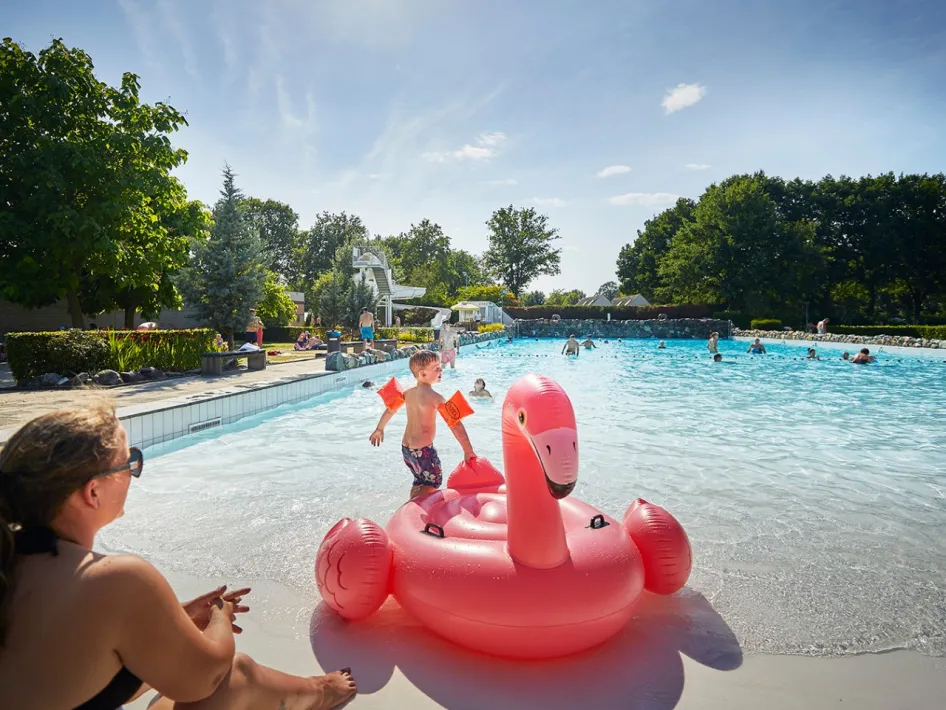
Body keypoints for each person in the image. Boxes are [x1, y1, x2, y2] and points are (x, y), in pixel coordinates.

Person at [0, 404, 356, 710]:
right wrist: (220, 615)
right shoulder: (113, 579)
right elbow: (206, 676)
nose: (133, 474)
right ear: (92, 491)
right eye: (129, 463)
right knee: (237, 675)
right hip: (208, 672)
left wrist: (180, 618)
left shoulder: (12, 560)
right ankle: (320, 693)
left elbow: (83, 675)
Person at [369, 351, 476, 500]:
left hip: (406, 449)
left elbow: (390, 410)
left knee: (419, 480)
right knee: (433, 481)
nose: (441, 370)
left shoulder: (407, 393)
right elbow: (455, 425)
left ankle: (412, 505)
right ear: (423, 374)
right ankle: (410, 507)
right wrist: (468, 450)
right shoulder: (436, 398)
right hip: (423, 450)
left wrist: (379, 429)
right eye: (436, 368)